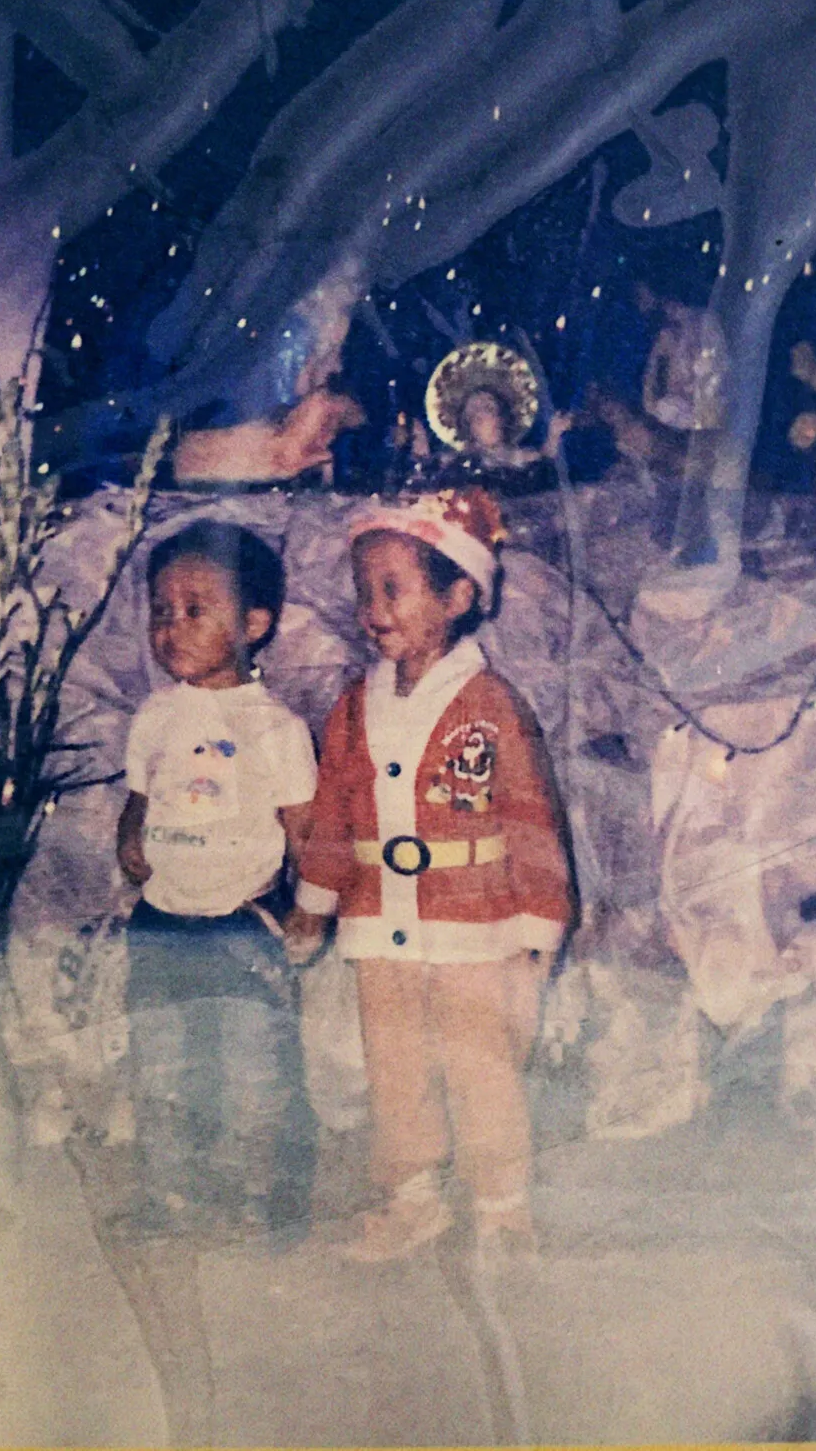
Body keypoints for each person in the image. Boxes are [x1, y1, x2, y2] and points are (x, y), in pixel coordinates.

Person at [283, 487, 574, 1262]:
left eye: (393, 589)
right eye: (364, 592)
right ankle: (413, 1199)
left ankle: (502, 1207)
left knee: (482, 1070)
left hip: (475, 924)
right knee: (396, 1069)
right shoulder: (356, 707)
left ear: (458, 596)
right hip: (379, 920)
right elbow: (335, 811)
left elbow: (529, 816)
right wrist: (314, 902)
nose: (373, 609)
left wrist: (538, 925)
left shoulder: (490, 704)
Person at [117, 520, 318, 1236]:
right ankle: (170, 1192)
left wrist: (312, 907)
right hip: (161, 918)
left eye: (195, 610)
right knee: (161, 1061)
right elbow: (141, 793)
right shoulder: (155, 716)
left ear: (254, 625)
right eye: (161, 611)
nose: (171, 627)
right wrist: (130, 834)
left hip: (243, 919)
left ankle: (262, 1195)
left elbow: (305, 828)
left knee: (253, 1061)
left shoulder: (275, 727)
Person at [409, 342, 573, 495]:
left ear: (501, 417)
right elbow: (425, 482)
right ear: (467, 423)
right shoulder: (454, 463)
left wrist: (553, 436)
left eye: (488, 408)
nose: (482, 415)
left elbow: (547, 467)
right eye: (475, 411)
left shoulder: (521, 457)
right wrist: (421, 455)